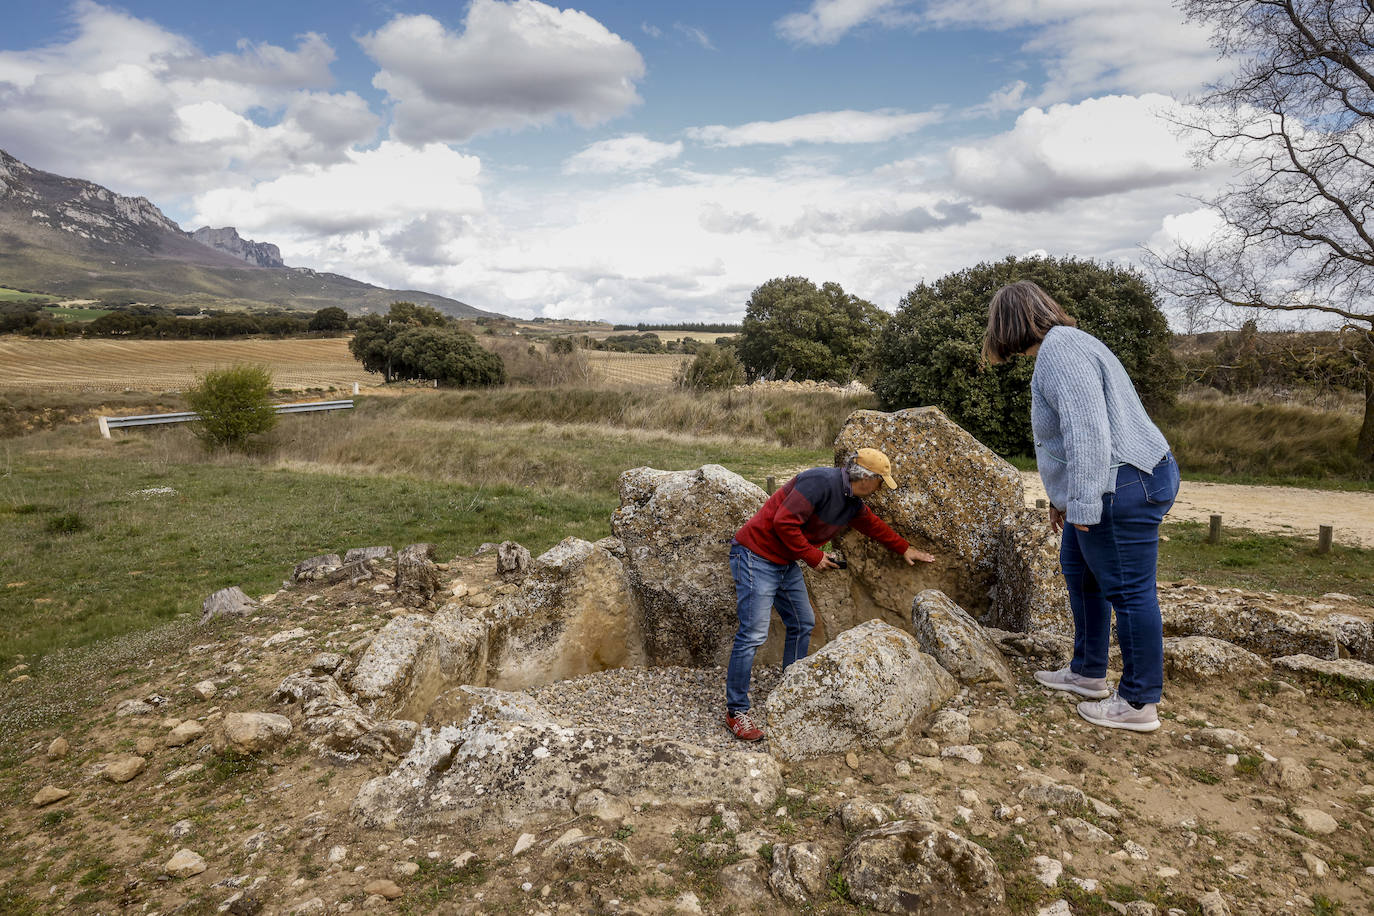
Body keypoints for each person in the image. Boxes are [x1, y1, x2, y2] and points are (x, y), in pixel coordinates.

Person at [983, 280, 1179, 733]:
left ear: (1009, 323)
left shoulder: (1061, 352)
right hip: (1117, 479)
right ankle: (1088, 672)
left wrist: (1085, 506)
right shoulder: (1066, 346)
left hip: (1121, 483)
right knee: (1079, 569)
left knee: (1130, 592)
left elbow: (1088, 433)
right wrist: (1062, 500)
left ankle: (1138, 701)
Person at [724, 448, 935, 741]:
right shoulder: (819, 482)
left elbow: (872, 525)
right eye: (880, 482)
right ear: (866, 478)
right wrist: (813, 556)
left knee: (803, 623)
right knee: (753, 634)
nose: (881, 489)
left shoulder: (852, 502)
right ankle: (736, 712)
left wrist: (904, 548)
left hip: (783, 561)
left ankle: (791, 688)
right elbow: (783, 522)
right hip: (755, 555)